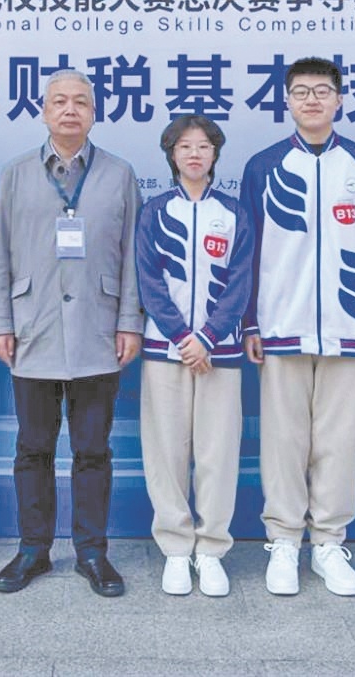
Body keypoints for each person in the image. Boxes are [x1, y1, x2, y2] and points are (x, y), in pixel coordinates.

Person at [240, 56, 355, 597]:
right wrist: (249, 322)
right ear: (286, 100)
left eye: (322, 90)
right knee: (282, 440)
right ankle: (284, 541)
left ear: (339, 99)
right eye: (301, 91)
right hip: (280, 324)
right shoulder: (263, 166)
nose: (312, 99)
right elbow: (248, 250)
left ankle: (329, 542)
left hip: (349, 323)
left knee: (339, 440)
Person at [0, 68, 143, 597]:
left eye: (81, 102)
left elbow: (132, 255)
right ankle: (33, 550)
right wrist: (0, 321)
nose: (70, 109)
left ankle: (92, 552)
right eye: (59, 101)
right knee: (33, 447)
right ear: (44, 111)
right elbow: (0, 252)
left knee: (93, 449)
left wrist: (129, 321)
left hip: (99, 330)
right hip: (33, 328)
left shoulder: (119, 173)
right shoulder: (16, 173)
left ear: (94, 112)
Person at [135, 116, 253, 597]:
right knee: (166, 452)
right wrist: (184, 336)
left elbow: (241, 283)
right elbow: (148, 280)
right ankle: (176, 549)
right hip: (166, 351)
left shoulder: (234, 213)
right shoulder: (154, 212)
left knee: (217, 454)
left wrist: (208, 337)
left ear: (215, 154)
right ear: (172, 154)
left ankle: (211, 550)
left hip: (219, 352)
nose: (194, 154)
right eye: (185, 146)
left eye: (203, 146)